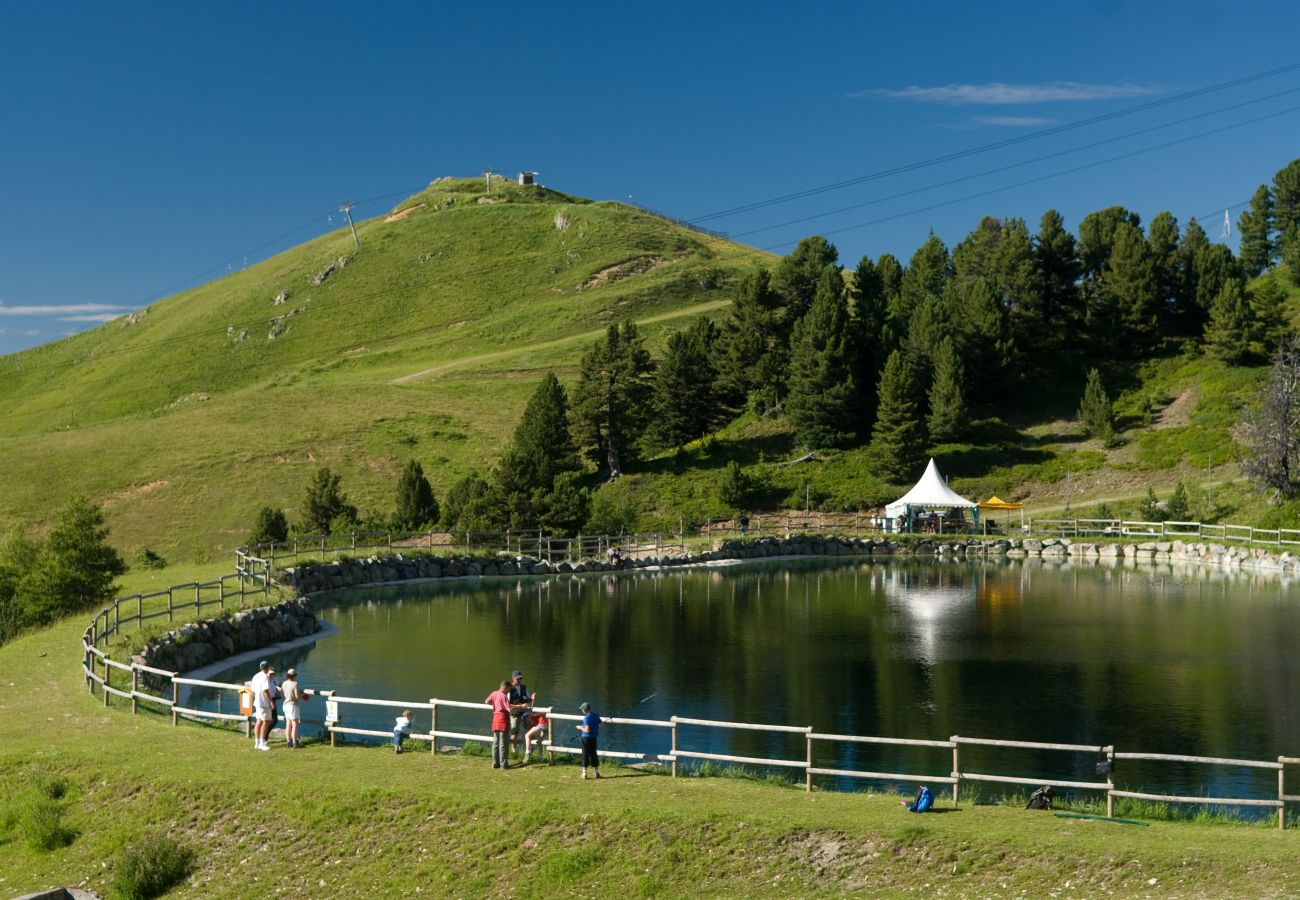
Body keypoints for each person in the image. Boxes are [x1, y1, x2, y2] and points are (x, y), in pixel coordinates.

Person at [281, 668, 312, 749]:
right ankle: (295, 743)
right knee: (295, 724)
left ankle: (289, 741)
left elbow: (282, 695)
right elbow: (297, 697)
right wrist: (304, 695)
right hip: (293, 706)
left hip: (285, 705)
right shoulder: (295, 684)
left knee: (288, 724)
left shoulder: (284, 683)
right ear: (294, 676)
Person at [485, 680, 511, 769]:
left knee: (495, 743)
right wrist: (521, 706)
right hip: (503, 720)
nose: (509, 691)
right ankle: (503, 764)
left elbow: (486, 702)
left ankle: (495, 763)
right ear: (506, 687)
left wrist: (495, 704)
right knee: (503, 743)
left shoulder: (494, 693)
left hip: (495, 720)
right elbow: (509, 709)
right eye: (509, 689)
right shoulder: (504, 696)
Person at [507, 670, 534, 756]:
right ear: (513, 678)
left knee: (530, 730)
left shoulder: (524, 687)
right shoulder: (509, 689)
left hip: (524, 712)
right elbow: (507, 704)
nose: (519, 680)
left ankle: (529, 750)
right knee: (514, 733)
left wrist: (532, 698)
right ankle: (514, 751)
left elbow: (528, 700)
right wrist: (521, 706)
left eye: (520, 678)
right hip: (514, 714)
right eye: (517, 678)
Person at [250, 660, 274, 751]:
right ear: (267, 668)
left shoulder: (255, 676)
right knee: (266, 722)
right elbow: (266, 691)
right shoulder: (264, 677)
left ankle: (257, 742)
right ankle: (262, 743)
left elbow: (253, 690)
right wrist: (271, 702)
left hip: (257, 702)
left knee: (259, 721)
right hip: (264, 703)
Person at [577, 701, 601, 780]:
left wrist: (580, 727)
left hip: (586, 739)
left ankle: (584, 774)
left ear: (584, 710)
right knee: (594, 754)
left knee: (585, 755)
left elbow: (587, 730)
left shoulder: (586, 718)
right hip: (593, 738)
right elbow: (601, 723)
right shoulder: (595, 715)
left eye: (582, 709)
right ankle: (596, 772)